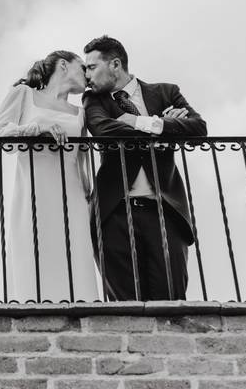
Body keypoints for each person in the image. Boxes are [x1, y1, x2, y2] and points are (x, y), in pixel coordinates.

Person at [82, 36, 207, 300]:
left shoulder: (166, 92)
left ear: (115, 64)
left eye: (91, 67)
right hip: (114, 213)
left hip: (165, 212)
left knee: (171, 302)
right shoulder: (94, 100)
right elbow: (103, 130)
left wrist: (141, 122)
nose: (86, 75)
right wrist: (162, 126)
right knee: (123, 308)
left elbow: (198, 128)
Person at [0, 50, 102, 302]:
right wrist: (37, 128)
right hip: (34, 190)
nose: (88, 74)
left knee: (75, 258)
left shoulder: (81, 112)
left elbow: (83, 160)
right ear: (63, 65)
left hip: (71, 195)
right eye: (83, 66)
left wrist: (88, 198)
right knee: (33, 254)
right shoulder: (23, 94)